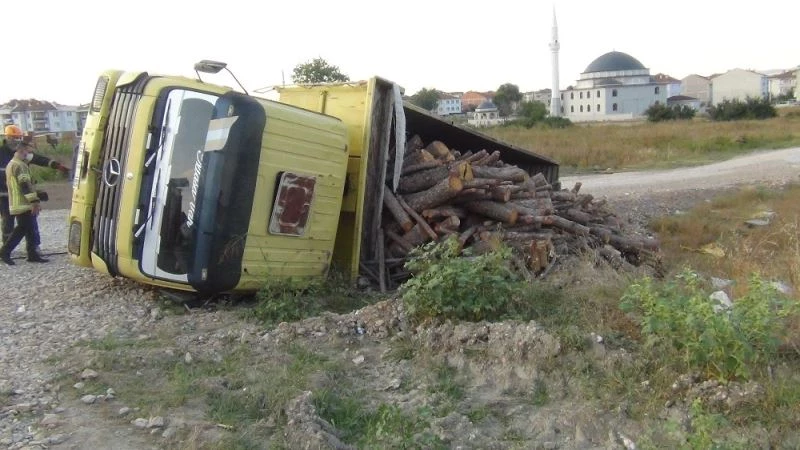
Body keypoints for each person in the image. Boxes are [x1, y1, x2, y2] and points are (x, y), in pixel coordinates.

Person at [1, 125, 69, 251]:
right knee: (8, 222)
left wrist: (56, 165)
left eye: (18, 138)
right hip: (4, 195)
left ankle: (32, 247)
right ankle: (6, 248)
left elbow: (37, 159)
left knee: (30, 223)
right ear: (7, 137)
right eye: (14, 138)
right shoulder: (2, 152)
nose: (16, 141)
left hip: (23, 194)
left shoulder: (20, 151)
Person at [0, 134, 47, 265]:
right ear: (21, 151)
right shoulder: (20, 166)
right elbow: (24, 185)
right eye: (28, 152)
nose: (29, 154)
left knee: (30, 229)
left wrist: (37, 195)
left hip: (17, 203)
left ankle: (32, 254)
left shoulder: (12, 164)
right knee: (21, 229)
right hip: (23, 204)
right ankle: (5, 251)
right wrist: (34, 202)